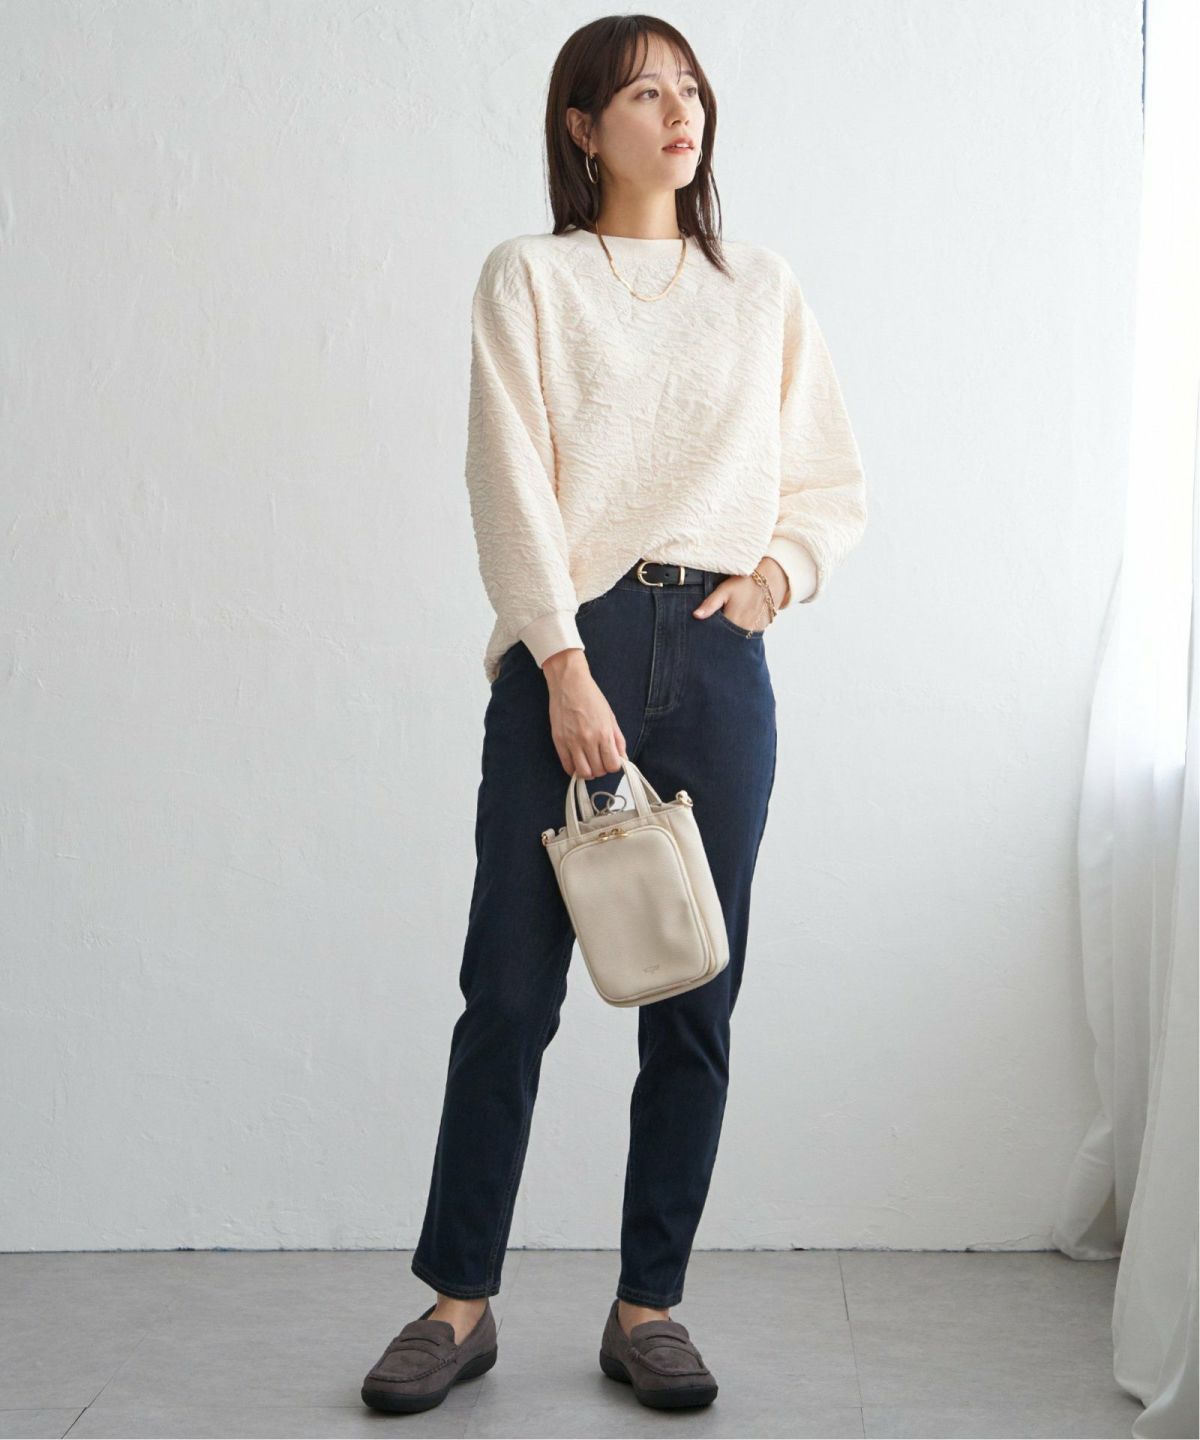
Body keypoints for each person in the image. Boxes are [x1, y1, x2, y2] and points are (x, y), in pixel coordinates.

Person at [361, 13, 867, 1416]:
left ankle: (650, 1308)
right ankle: (458, 1304)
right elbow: (508, 478)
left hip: (716, 657)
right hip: (566, 652)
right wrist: (564, 663)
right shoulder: (529, 278)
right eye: (644, 92)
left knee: (695, 995)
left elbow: (830, 479)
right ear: (584, 128)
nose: (677, 110)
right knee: (509, 994)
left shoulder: (760, 287)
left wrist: (777, 577)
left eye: (689, 87)